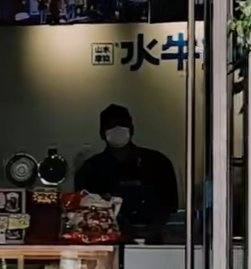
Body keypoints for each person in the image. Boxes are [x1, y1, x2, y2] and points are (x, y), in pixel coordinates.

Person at [74, 103, 179, 241]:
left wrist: (152, 227)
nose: (117, 130)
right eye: (111, 126)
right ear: (102, 133)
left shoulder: (158, 163)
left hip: (152, 243)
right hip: (105, 241)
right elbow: (81, 212)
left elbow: (171, 206)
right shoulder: (89, 169)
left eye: (122, 124)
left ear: (132, 129)